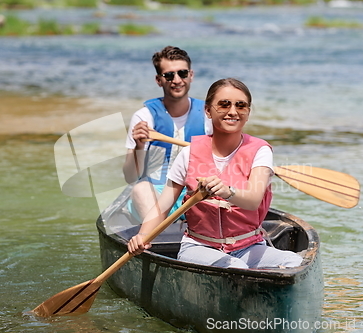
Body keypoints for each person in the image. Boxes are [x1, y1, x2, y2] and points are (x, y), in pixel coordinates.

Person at [127, 78, 303, 269]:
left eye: (241, 106)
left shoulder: (260, 151)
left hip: (249, 246)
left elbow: (253, 200)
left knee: (294, 261)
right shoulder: (188, 153)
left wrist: (227, 191)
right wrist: (143, 236)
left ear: (248, 113)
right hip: (199, 246)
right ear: (208, 110)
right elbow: (162, 207)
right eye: (224, 105)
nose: (233, 111)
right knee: (235, 267)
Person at [122, 46, 212, 221]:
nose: (177, 80)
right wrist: (139, 147)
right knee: (139, 188)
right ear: (158, 80)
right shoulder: (144, 117)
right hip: (154, 195)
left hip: (194, 194)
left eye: (182, 73)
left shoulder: (209, 116)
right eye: (169, 75)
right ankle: (158, 235)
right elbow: (130, 177)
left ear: (191, 75)